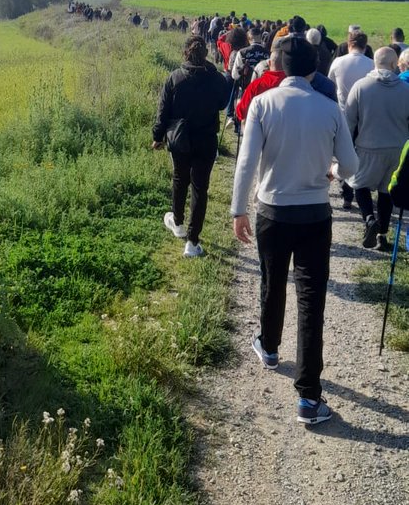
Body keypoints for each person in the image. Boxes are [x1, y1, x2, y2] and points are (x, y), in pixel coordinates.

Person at [231, 35, 358, 425]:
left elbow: (246, 161)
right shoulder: (329, 108)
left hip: (271, 210)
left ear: (280, 67)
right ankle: (308, 397)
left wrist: (238, 210)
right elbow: (351, 167)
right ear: (313, 68)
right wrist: (332, 171)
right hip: (314, 215)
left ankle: (268, 347)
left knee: (271, 281)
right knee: (311, 302)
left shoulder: (262, 104)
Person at [152, 36, 230, 258]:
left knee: (179, 179)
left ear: (185, 53)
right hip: (206, 140)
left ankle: (177, 223)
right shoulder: (215, 79)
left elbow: (163, 111)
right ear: (205, 54)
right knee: (200, 188)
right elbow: (223, 103)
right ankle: (193, 242)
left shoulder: (174, 78)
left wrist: (157, 137)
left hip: (179, 139)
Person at [345, 47, 409, 251]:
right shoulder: (406, 90)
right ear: (394, 64)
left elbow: (349, 121)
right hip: (397, 149)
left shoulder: (360, 87)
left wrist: (346, 147)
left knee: (359, 184)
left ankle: (369, 218)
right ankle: (382, 234)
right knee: (386, 192)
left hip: (368, 146)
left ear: (374, 63)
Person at [327, 30, 372, 209]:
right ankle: (358, 186)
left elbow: (330, 85)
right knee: (359, 153)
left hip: (343, 114)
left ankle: (346, 192)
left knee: (342, 153)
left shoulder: (338, 62)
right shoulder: (371, 64)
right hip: (364, 117)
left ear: (349, 43)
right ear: (365, 45)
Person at [236, 45, 285, 123]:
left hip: (260, 129)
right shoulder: (292, 84)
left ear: (269, 63)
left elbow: (241, 113)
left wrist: (238, 102)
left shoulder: (256, 85)